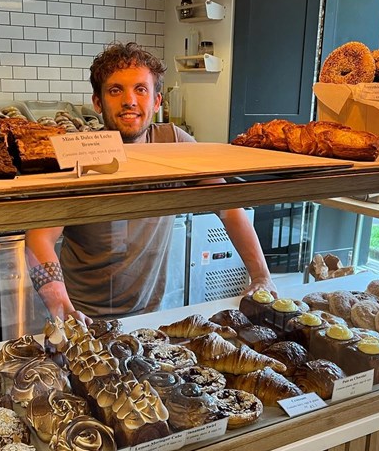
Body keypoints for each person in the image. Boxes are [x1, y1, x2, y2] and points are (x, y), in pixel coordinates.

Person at [25, 42, 276, 324]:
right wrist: (61, 306)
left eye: (140, 90)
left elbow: (228, 208)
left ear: (157, 102)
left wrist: (262, 276)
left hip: (154, 312)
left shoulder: (174, 143)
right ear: (98, 102)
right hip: (84, 315)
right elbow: (39, 237)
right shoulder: (80, 152)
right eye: (115, 90)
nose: (129, 100)